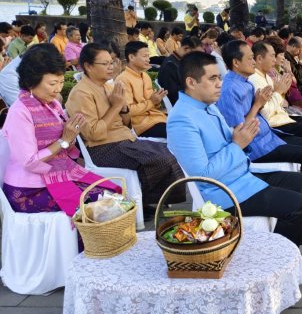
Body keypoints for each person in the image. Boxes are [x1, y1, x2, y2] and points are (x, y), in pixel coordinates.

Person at [166, 51, 302, 269]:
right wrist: (237, 144)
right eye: (212, 79)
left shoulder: (207, 106)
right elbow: (203, 175)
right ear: (191, 82)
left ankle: (285, 250)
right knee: (297, 205)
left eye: (220, 77)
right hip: (224, 192)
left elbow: (226, 139)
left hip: (241, 176)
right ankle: (282, 265)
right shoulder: (182, 119)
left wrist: (238, 133)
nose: (219, 84)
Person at [1, 43, 120, 214]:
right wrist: (64, 140)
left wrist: (71, 136)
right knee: (93, 208)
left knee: (109, 194)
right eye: (52, 83)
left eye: (61, 82)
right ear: (32, 81)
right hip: (28, 189)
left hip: (55, 174)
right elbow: (30, 162)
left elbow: (65, 148)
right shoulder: (19, 112)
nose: (58, 89)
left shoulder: (53, 104)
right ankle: (81, 241)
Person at [65, 43, 185, 207]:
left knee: (169, 152)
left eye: (112, 62)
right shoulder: (81, 93)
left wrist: (123, 108)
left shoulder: (108, 87)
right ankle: (145, 202)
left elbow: (126, 124)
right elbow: (93, 133)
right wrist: (116, 106)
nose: (111, 67)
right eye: (105, 64)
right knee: (159, 159)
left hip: (123, 140)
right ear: (88, 66)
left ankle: (148, 201)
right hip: (101, 149)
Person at [217, 39, 302, 212]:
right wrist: (260, 103)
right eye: (250, 59)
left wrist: (268, 98)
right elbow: (240, 133)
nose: (253, 62)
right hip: (257, 147)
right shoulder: (231, 89)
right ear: (236, 63)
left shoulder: (244, 81)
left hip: (268, 136)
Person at [249, 42, 302, 156]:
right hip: (274, 124)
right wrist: (279, 93)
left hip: (282, 116)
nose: (275, 59)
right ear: (259, 59)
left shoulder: (266, 75)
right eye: (272, 56)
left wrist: (281, 91)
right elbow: (265, 114)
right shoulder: (254, 80)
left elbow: (282, 98)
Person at [115, 41, 168, 137]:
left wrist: (157, 101)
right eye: (144, 56)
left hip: (156, 118)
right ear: (131, 57)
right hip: (141, 125)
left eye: (148, 56)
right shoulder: (123, 79)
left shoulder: (145, 76)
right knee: (177, 134)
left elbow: (152, 103)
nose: (148, 59)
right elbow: (127, 111)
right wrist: (151, 102)